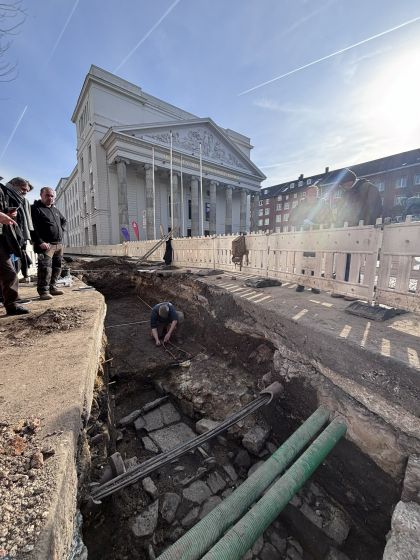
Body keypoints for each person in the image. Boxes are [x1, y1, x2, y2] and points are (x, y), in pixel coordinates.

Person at [290, 184, 332, 293]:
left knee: (315, 261)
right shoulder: (301, 205)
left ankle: (314, 284)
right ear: (306, 194)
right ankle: (301, 283)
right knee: (302, 261)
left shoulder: (323, 205)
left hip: (317, 237)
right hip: (303, 237)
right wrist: (301, 222)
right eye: (310, 193)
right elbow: (291, 218)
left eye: (314, 193)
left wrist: (316, 224)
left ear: (318, 194)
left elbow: (330, 220)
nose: (312, 195)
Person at [31, 187, 67, 300]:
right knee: (45, 268)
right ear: (41, 195)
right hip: (46, 245)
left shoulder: (55, 210)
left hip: (58, 244)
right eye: (47, 195)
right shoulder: (35, 209)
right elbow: (32, 228)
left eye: (52, 196)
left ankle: (53, 287)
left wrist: (61, 231)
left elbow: (64, 220)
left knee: (57, 267)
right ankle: (43, 291)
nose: (50, 198)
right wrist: (40, 241)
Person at [0, 179, 30, 315]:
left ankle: (11, 305)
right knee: (10, 273)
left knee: (10, 272)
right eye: (23, 189)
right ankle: (11, 304)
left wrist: (7, 212)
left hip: (3, 238)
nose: (25, 192)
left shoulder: (2, 190)